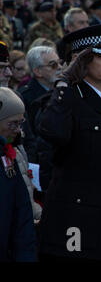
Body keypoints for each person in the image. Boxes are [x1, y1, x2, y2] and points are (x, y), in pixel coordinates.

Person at [37, 23, 101, 261]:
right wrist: (63, 82)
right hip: (80, 219)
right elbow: (53, 132)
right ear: (79, 61)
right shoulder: (65, 98)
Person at [0, 86, 37, 262]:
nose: (17, 130)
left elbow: (21, 210)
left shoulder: (11, 153)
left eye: (20, 123)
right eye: (12, 124)